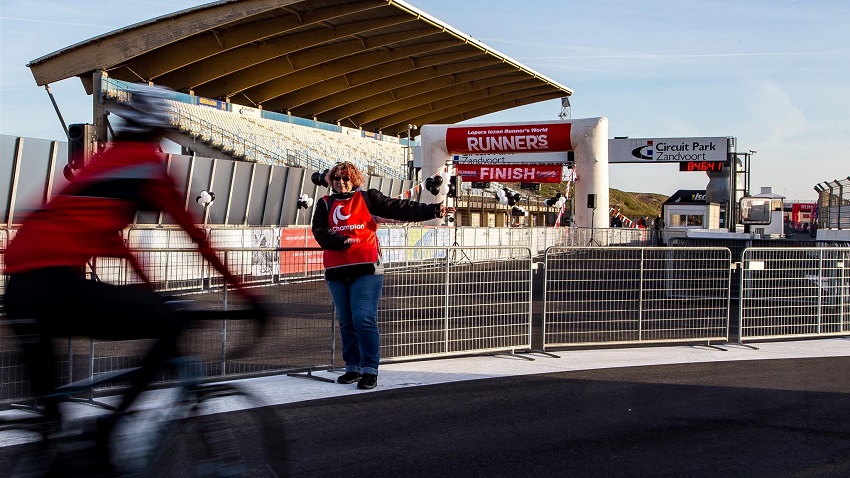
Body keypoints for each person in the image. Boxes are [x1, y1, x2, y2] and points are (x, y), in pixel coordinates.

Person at [2, 85, 263, 454]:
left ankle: (60, 449)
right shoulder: (147, 165)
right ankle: (107, 431)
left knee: (52, 426)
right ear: (159, 132)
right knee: (168, 324)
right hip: (56, 284)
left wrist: (149, 291)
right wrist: (249, 296)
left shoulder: (101, 163)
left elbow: (117, 245)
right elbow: (197, 238)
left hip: (20, 291)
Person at [311, 162, 453, 390]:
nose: (341, 182)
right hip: (337, 271)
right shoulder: (324, 204)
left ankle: (370, 369)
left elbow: (399, 207)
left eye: (346, 178)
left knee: (363, 318)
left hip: (366, 268)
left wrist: (431, 210)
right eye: (337, 178)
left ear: (354, 180)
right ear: (330, 180)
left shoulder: (368, 198)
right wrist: (340, 241)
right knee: (346, 322)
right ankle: (352, 367)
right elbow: (319, 231)